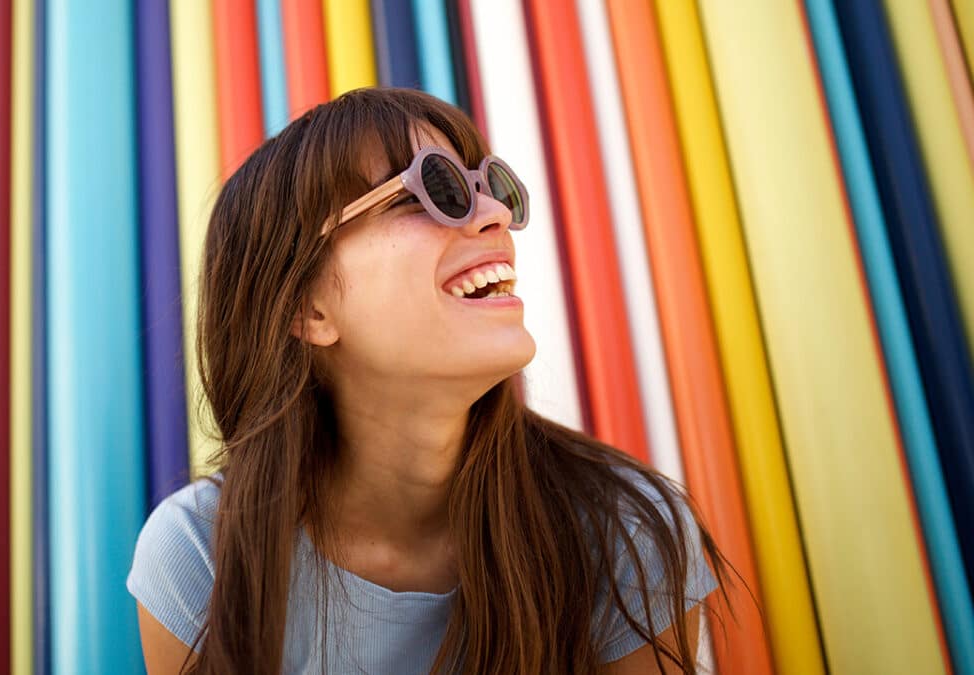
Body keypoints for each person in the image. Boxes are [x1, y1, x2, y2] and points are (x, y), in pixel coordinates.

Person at [127, 87, 728, 674]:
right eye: (431, 191)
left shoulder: (622, 530)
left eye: (490, 188)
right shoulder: (201, 556)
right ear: (308, 309)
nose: (496, 216)